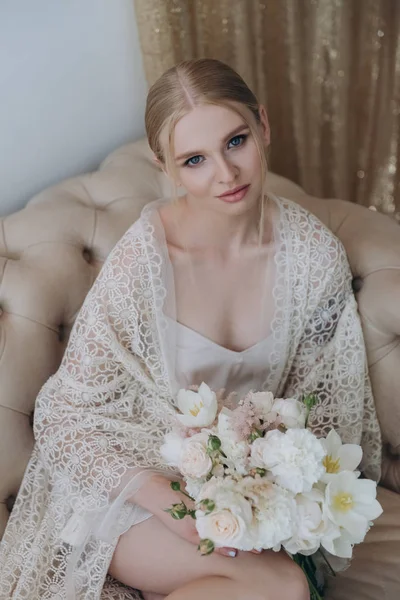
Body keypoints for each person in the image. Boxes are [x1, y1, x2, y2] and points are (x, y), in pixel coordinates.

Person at [0, 58, 381, 600]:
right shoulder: (145, 261)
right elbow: (65, 416)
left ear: (263, 127)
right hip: (129, 484)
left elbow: (327, 409)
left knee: (284, 583)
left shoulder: (313, 258)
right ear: (167, 167)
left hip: (242, 491)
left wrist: (260, 489)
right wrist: (167, 499)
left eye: (236, 141)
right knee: (286, 589)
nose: (225, 175)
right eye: (195, 159)